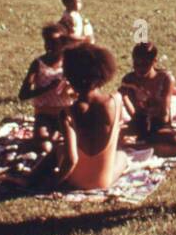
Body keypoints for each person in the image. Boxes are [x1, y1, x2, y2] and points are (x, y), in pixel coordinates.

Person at [49, 45, 129, 191]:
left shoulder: (67, 112)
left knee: (59, 149)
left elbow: (71, 160)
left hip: (76, 182)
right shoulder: (116, 101)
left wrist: (54, 184)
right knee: (122, 155)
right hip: (103, 182)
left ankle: (29, 178)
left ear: (70, 77)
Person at [118, 42, 176, 157]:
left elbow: (164, 114)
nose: (140, 68)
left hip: (159, 125)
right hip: (139, 122)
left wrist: (147, 98)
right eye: (136, 64)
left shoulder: (165, 78)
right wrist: (135, 114)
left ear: (154, 62)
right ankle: (148, 147)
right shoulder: (129, 79)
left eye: (145, 64)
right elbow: (124, 97)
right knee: (110, 135)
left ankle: (140, 146)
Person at [19, 24, 76, 135]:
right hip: (44, 114)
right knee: (43, 145)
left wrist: (70, 89)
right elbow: (23, 95)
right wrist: (47, 88)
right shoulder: (38, 64)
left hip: (66, 113)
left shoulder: (70, 64)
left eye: (54, 42)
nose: (49, 46)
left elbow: (79, 94)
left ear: (64, 44)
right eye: (47, 41)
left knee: (70, 141)